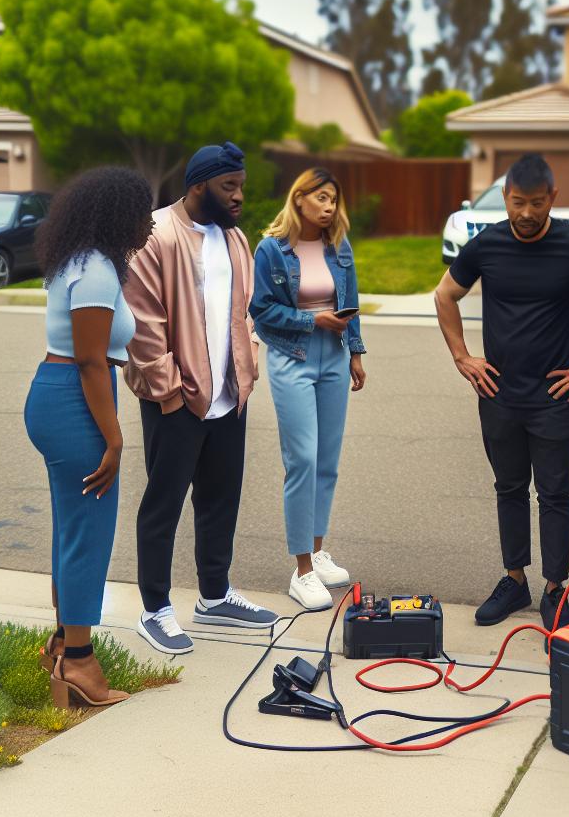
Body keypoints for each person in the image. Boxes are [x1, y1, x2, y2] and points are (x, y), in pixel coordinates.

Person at [434, 153, 569, 631]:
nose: (527, 213)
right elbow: (445, 295)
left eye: (537, 203)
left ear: (553, 199)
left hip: (554, 397)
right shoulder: (486, 246)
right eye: (518, 203)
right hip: (498, 393)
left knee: (554, 493)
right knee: (508, 489)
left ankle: (554, 590)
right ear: (505, 198)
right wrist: (463, 357)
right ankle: (514, 580)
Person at [124, 141, 279, 655]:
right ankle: (155, 609)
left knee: (220, 498)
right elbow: (143, 324)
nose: (238, 197)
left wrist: (246, 365)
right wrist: (167, 393)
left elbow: (245, 311)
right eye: (227, 187)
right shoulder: (156, 234)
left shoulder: (234, 238)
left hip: (229, 396)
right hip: (176, 400)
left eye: (241, 187)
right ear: (197, 187)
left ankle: (214, 596)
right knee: (163, 503)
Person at [23, 165, 154, 708]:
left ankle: (60, 641)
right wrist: (115, 436)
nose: (149, 223)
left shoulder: (75, 261)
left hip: (58, 394)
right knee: (89, 534)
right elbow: (91, 360)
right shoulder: (96, 271)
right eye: (143, 212)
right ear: (119, 215)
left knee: (71, 529)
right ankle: (78, 660)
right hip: (77, 400)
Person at [250, 168, 368, 611]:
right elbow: (261, 311)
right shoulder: (271, 250)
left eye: (333, 199)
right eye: (321, 197)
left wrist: (355, 352)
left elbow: (350, 299)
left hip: (334, 357)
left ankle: (317, 553)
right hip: (292, 358)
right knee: (301, 459)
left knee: (326, 461)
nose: (329, 206)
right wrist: (311, 320)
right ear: (299, 199)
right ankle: (301, 571)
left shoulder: (338, 246)